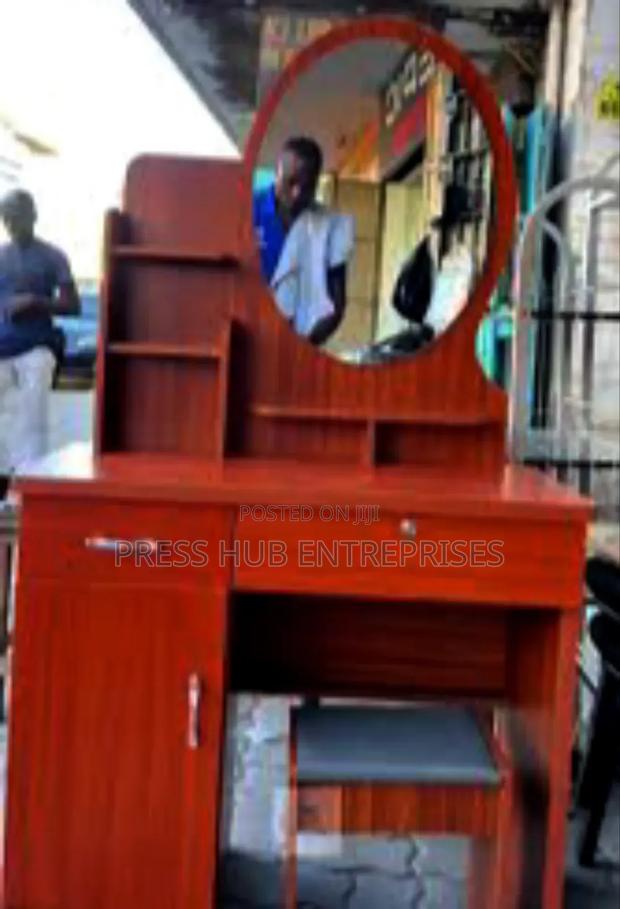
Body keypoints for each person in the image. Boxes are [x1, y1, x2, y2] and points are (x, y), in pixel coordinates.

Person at [0, 189, 80, 474]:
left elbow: (73, 305)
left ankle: (27, 485)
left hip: (37, 346)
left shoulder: (53, 256)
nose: (11, 224)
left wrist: (36, 301)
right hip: (2, 348)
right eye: (6, 218)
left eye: (17, 217)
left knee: (33, 416)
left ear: (33, 216)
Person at [253, 137, 354, 346]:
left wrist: (302, 346)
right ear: (277, 172)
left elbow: (338, 304)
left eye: (307, 187)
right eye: (290, 182)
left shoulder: (330, 226)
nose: (297, 194)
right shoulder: (247, 209)